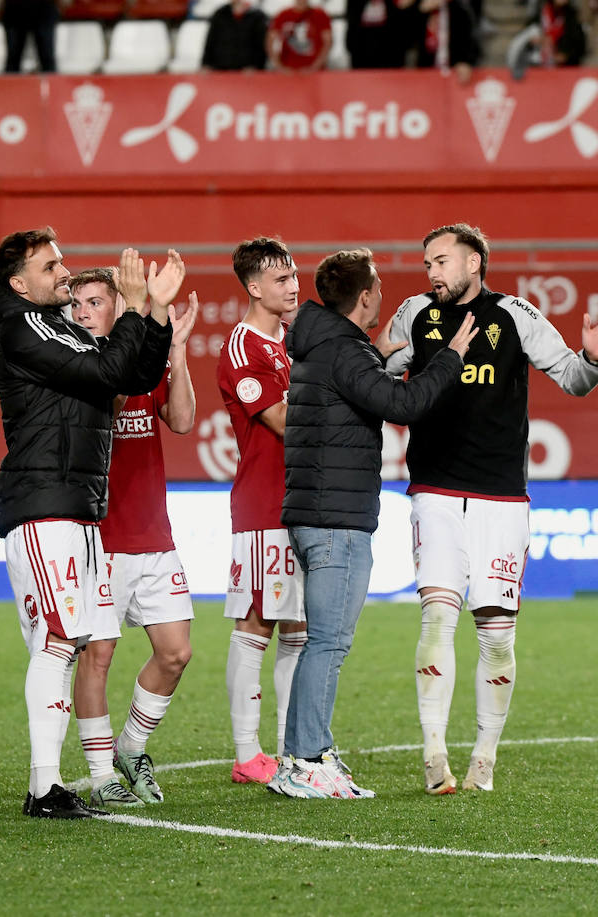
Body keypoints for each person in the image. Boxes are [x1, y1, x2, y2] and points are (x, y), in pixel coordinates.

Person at [379, 223, 598, 795]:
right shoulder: (414, 313)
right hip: (435, 490)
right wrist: (383, 359)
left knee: (496, 634)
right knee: (437, 615)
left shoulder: (516, 315)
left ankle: (484, 760)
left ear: (474, 262)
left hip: (501, 497)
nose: (432, 273)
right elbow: (383, 378)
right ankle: (434, 754)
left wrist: (592, 357)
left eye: (441, 261)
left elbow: (572, 378)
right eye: (427, 264)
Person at [0, 229, 174, 818]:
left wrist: (155, 314)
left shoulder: (56, 324)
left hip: (77, 502)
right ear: (19, 283)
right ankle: (43, 787)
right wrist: (134, 309)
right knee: (58, 642)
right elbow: (104, 374)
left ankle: (48, 784)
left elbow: (133, 376)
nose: (63, 272)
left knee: (65, 642)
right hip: (45, 503)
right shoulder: (23, 324)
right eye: (51, 265)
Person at [271, 248, 474, 800]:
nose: (383, 292)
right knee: (329, 644)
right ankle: (308, 760)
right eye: (378, 284)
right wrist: (451, 357)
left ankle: (301, 756)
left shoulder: (327, 347)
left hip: (321, 511)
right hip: (334, 517)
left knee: (322, 642)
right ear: (365, 297)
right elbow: (403, 404)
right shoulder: (342, 351)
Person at [67, 269, 196, 808]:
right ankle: (101, 775)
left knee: (176, 653)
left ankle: (131, 747)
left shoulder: (148, 359)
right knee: (97, 656)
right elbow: (112, 405)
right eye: (76, 305)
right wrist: (140, 335)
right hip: (100, 538)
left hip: (153, 535)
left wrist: (177, 351)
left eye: (95, 303)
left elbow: (183, 421)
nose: (82, 313)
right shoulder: (75, 364)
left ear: (117, 307)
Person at [218, 236, 306, 786]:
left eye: (295, 274)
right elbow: (280, 419)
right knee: (258, 623)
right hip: (264, 505)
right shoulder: (244, 347)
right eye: (280, 278)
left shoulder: (286, 345)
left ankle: (290, 745)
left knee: (299, 626)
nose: (294, 284)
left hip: (299, 501)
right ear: (253, 287)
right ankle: (248, 753)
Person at [266, 0, 333, 71]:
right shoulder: (283, 15)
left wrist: (315, 66)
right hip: (289, 69)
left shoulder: (320, 14)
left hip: (314, 70)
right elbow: (270, 40)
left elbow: (328, 42)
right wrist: (279, 66)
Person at [202, 0, 269, 70]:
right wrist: (206, 64)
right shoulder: (220, 14)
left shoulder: (258, 17)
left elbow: (262, 46)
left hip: (246, 70)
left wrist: (257, 66)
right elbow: (210, 41)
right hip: (220, 68)